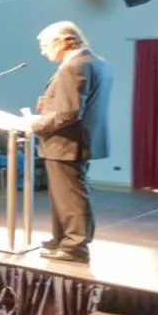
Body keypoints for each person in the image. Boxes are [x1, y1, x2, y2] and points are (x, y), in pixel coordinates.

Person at [30, 21, 112, 263]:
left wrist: (33, 124)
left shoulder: (74, 66)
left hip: (67, 142)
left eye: (45, 45)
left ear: (63, 41)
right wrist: (50, 102)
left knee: (71, 195)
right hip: (78, 139)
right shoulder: (97, 62)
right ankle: (62, 237)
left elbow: (69, 113)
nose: (43, 51)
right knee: (62, 195)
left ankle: (75, 245)